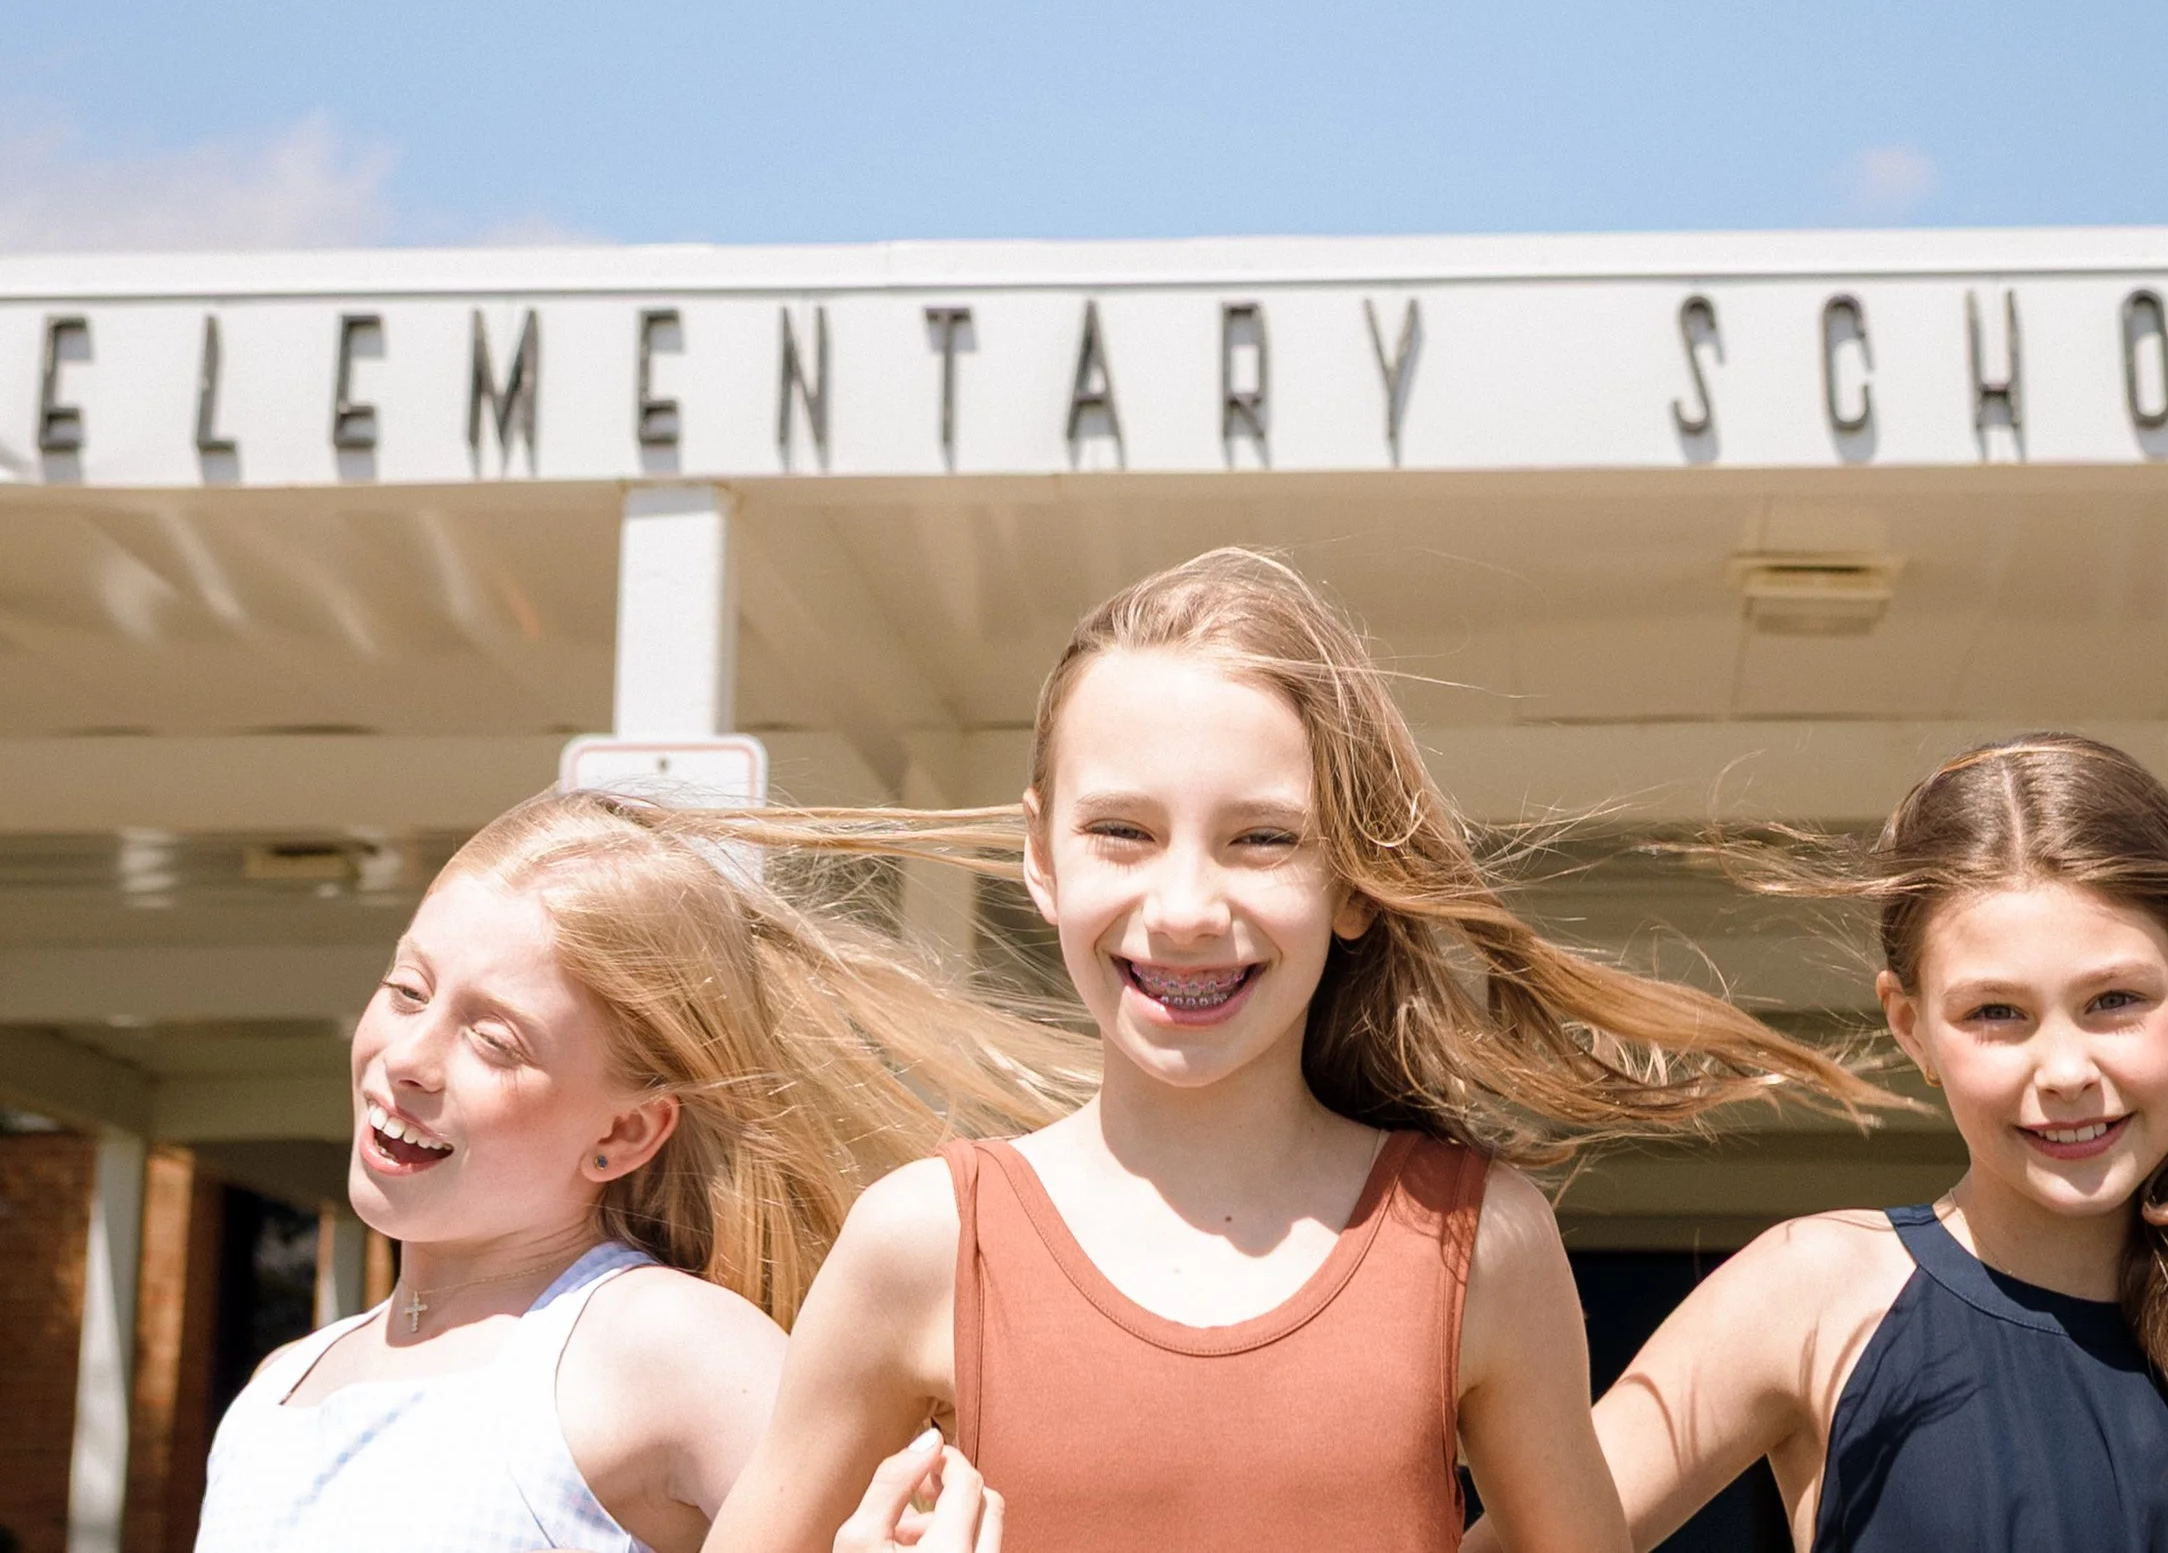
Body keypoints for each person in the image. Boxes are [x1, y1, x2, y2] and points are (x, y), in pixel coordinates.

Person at [708, 546, 1879, 1553]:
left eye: (1261, 839)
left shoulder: (1481, 1243)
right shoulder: (922, 1241)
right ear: (1041, 855)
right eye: (1122, 832)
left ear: (1356, 879)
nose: (1181, 907)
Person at [1471, 733, 2168, 1553]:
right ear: (1910, 1027)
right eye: (1996, 1013)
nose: (2064, 1069)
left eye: (2113, 1001)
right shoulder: (1814, 1293)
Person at [196, 785, 1081, 1553]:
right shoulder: (280, 1387)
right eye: (407, 990)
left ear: (625, 1132)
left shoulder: (662, 1344)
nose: (410, 1058)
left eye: (494, 1038)